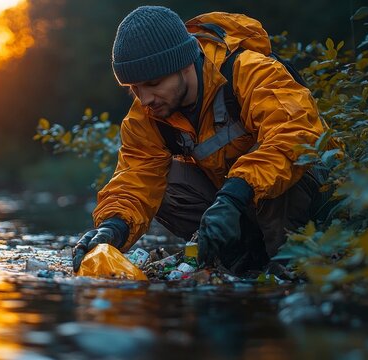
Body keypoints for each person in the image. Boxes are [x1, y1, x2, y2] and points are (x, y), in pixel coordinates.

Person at [72, 6, 335, 274]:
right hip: (235, 203)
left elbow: (295, 136)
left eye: (153, 83)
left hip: (306, 192)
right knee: (167, 185)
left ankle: (291, 262)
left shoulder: (249, 71)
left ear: (185, 64)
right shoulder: (148, 115)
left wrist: (234, 196)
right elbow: (134, 178)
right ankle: (238, 261)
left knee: (285, 166)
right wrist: (112, 227)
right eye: (134, 88)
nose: (145, 98)